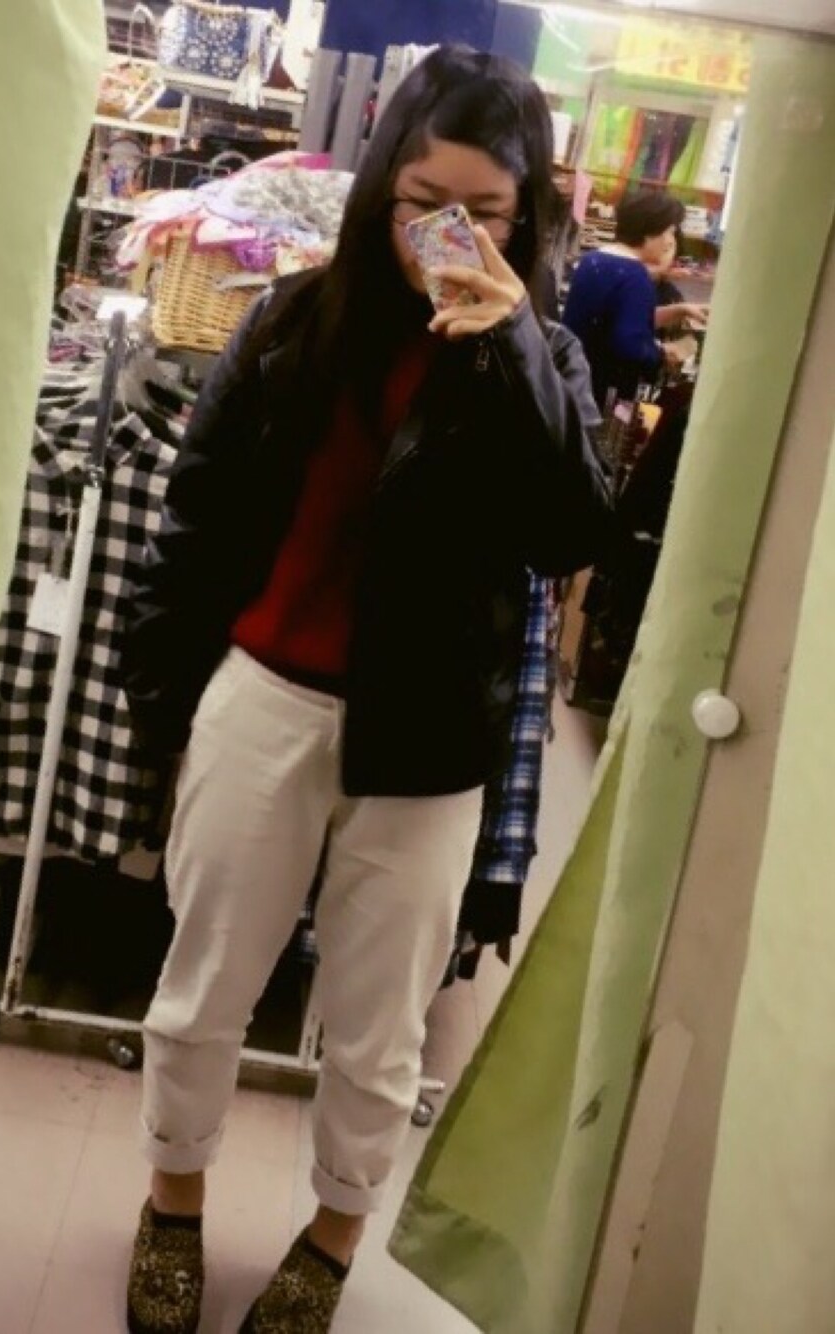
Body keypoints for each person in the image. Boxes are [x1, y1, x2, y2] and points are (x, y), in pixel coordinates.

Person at [120, 46, 611, 1334]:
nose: (444, 233)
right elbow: (196, 516)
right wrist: (162, 699)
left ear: (526, 215)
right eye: (421, 201)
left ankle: (333, 1236)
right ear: (382, 184)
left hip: (427, 739)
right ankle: (172, 1201)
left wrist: (509, 344)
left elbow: (571, 529)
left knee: (379, 1030)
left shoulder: (545, 357)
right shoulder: (297, 321)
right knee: (201, 984)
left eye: (483, 210)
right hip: (263, 695)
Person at [562, 192, 706, 412]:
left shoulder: (593, 260)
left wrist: (681, 309)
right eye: (669, 232)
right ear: (649, 231)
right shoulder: (634, 275)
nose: (671, 242)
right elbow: (629, 346)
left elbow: (619, 318)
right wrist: (667, 351)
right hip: (599, 393)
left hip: (571, 380)